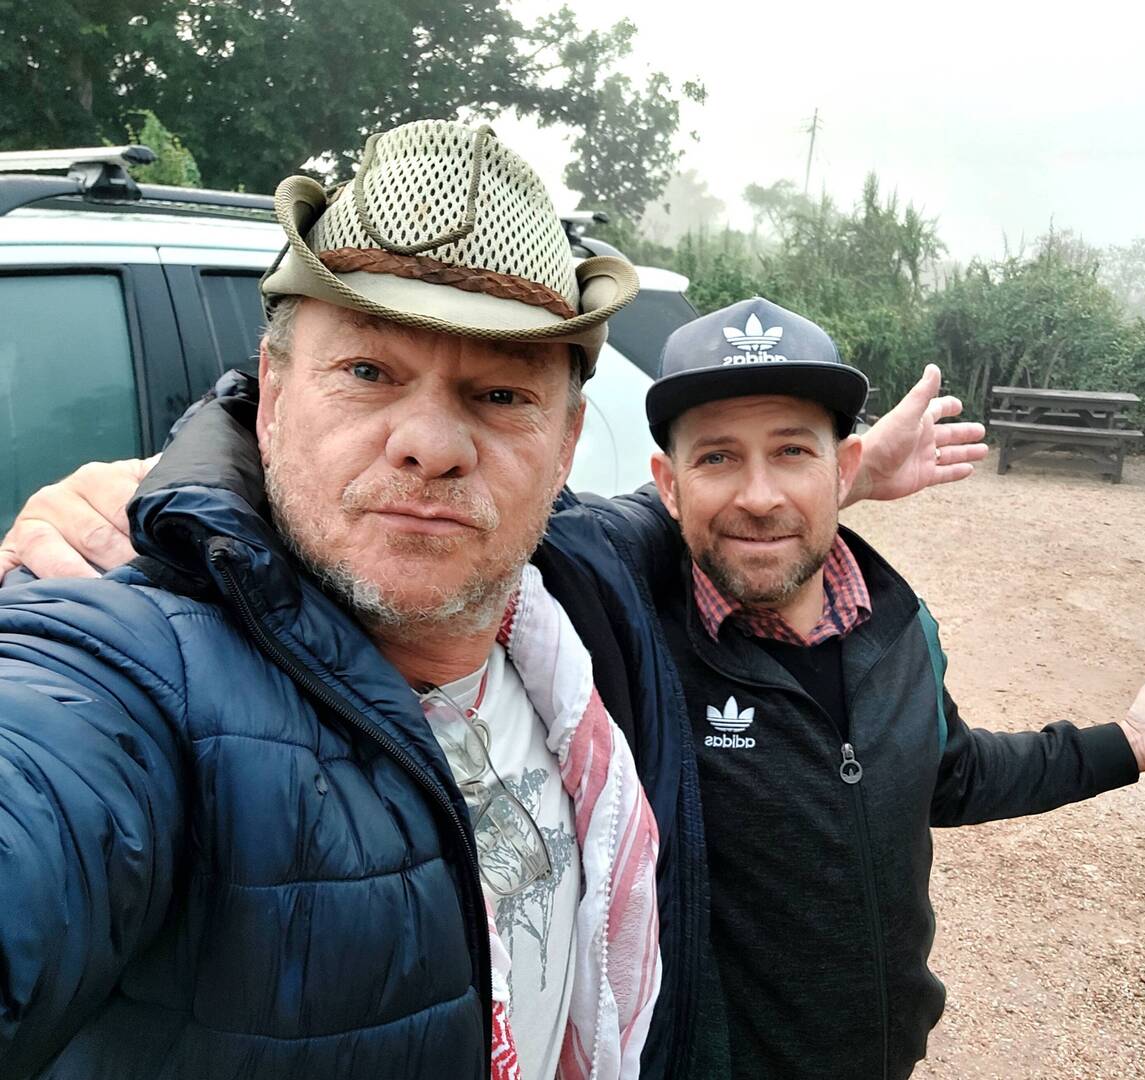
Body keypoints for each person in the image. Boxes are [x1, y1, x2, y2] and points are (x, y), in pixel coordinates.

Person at [4, 296, 1145, 1079]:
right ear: (663, 484)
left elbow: (947, 774)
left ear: (844, 471)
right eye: (717, 458)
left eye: (794, 453)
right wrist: (184, 492)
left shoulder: (897, 626)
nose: (758, 493)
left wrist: (1126, 745)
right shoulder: (616, 600)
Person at [0, 118, 670, 1080]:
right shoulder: (138, 673)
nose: (429, 444)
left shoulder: (585, 592)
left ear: (565, 447)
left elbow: (720, 522)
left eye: (499, 396)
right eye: (367, 373)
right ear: (272, 396)